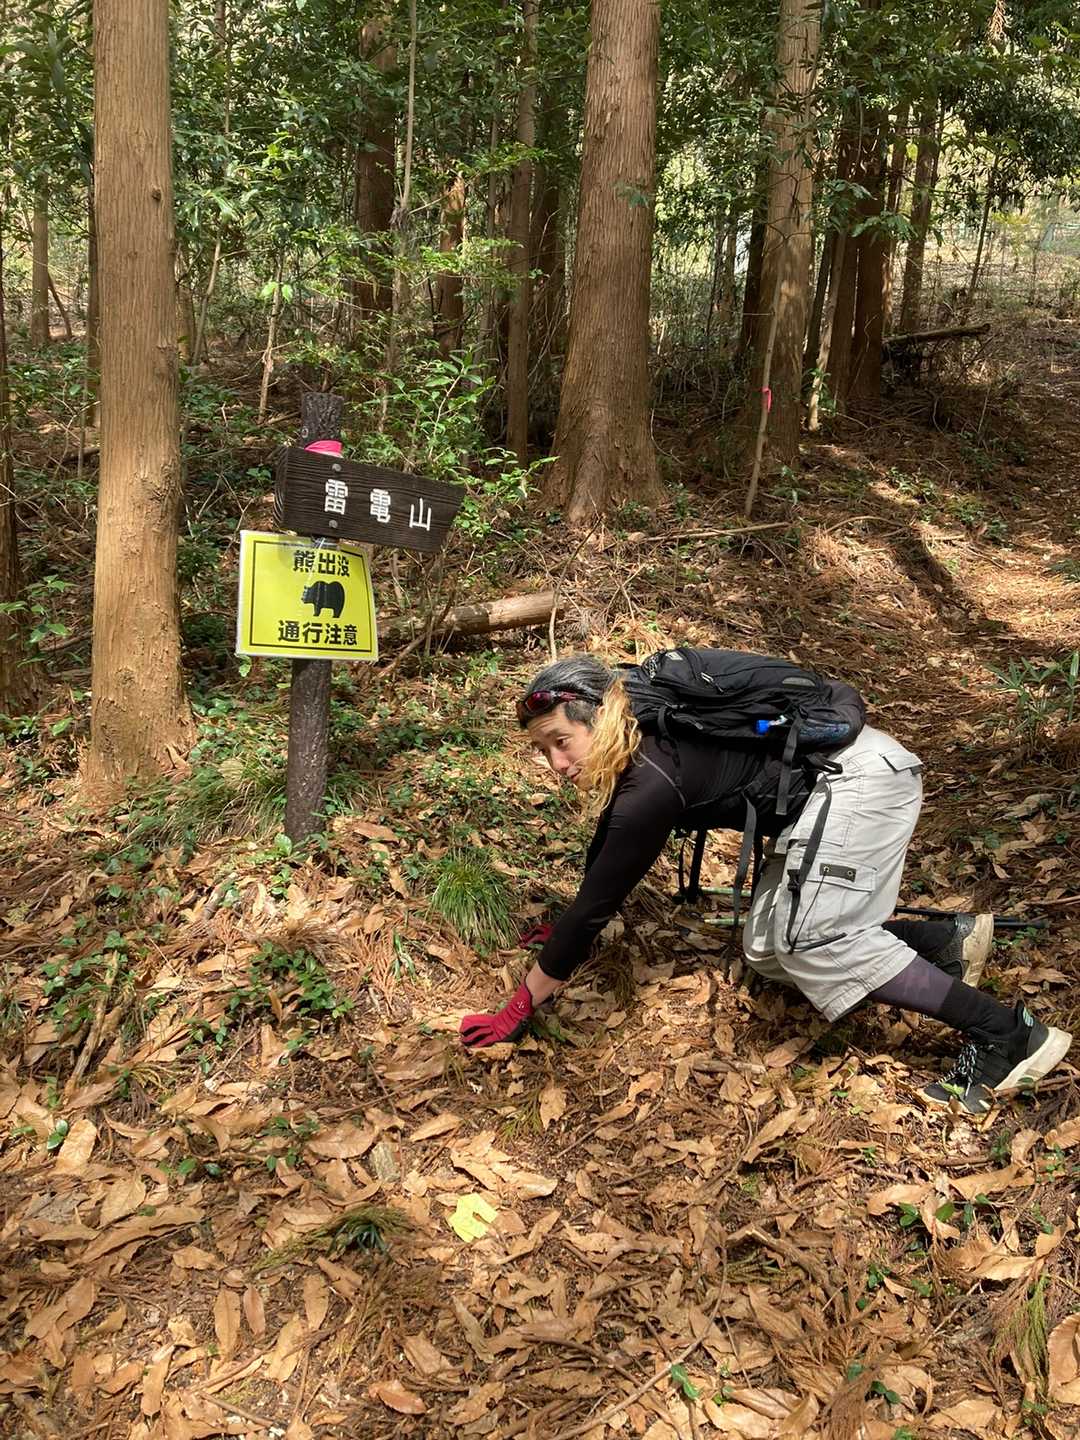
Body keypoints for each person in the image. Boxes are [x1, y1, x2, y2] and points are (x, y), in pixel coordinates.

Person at [458, 653, 1073, 1115]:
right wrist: (564, 927)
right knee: (767, 950)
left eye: (561, 742)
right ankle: (943, 944)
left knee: (811, 941)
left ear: (599, 716)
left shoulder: (651, 777)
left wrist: (521, 1004)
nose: (557, 764)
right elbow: (607, 857)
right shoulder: (642, 739)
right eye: (544, 750)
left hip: (860, 781)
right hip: (830, 788)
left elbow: (599, 903)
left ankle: (1008, 1035)